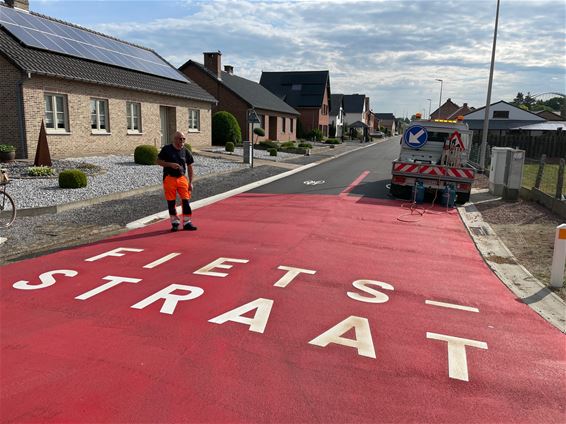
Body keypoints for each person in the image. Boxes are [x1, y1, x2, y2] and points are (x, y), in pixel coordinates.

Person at [156, 131, 197, 232]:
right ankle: (175, 223)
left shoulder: (186, 151)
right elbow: (158, 161)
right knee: (171, 202)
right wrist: (170, 164)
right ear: (174, 139)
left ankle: (187, 222)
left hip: (182, 178)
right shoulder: (166, 149)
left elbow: (190, 167)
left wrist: (191, 182)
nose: (182, 141)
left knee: (186, 201)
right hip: (169, 178)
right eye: (180, 139)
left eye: (183, 139)